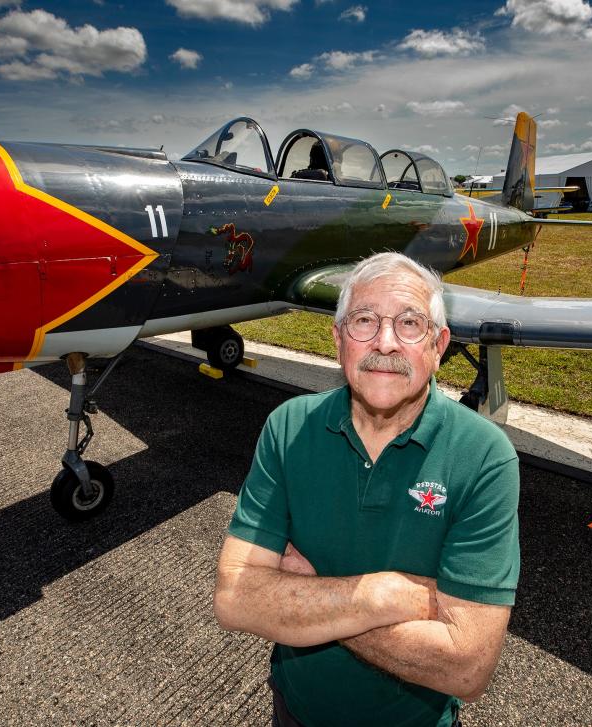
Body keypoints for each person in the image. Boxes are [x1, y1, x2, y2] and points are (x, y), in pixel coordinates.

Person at [214, 252, 520, 727]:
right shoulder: (288, 427)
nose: (386, 342)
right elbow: (235, 598)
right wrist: (383, 595)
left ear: (439, 345)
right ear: (339, 342)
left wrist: (306, 594)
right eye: (364, 321)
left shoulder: (484, 456)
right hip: (294, 712)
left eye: (410, 323)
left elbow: (466, 667)